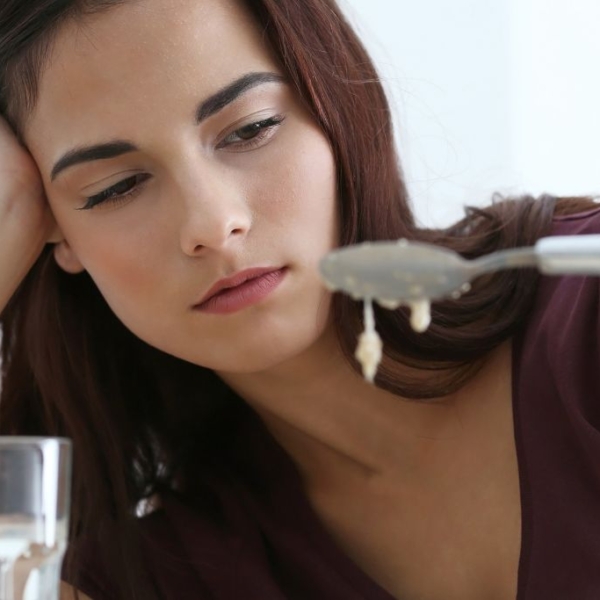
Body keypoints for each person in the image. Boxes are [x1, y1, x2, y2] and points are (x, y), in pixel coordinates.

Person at [1, 0, 599, 598]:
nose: (213, 222)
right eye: (117, 187)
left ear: (332, 106)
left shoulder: (583, 318)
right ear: (51, 228)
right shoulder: (150, 576)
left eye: (251, 129)